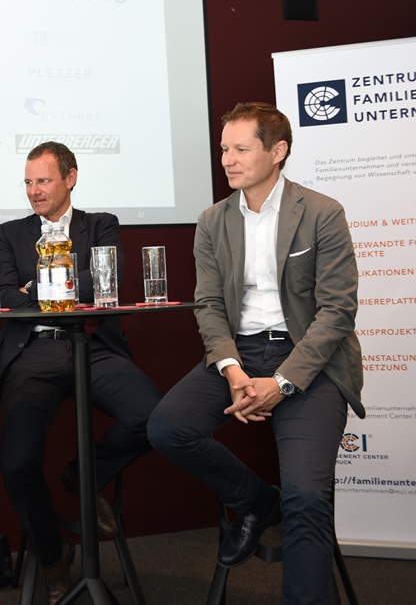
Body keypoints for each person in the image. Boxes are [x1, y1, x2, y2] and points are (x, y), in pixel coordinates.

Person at [147, 103, 364, 604]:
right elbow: (207, 305)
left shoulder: (322, 212)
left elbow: (336, 311)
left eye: (241, 148)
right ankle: (256, 499)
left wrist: (282, 382)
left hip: (309, 358)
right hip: (240, 353)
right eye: (225, 148)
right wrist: (232, 369)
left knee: (308, 496)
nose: (228, 159)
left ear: (278, 150)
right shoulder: (212, 221)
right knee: (166, 427)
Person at [0, 142, 162, 603]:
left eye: (42, 180)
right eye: (27, 182)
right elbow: (10, 295)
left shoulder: (101, 224)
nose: (33, 190)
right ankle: (52, 557)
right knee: (15, 462)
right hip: (36, 351)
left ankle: (83, 477)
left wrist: (39, 285)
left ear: (70, 178)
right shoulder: (10, 233)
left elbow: (106, 281)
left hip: (93, 346)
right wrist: (67, 282)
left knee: (156, 418)